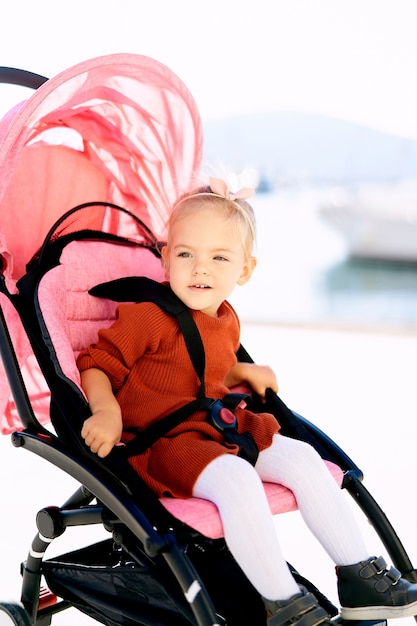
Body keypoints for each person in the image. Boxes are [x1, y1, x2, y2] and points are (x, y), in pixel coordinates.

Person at [77, 177, 417, 626]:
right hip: (168, 443)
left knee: (302, 458)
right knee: (237, 477)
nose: (201, 269)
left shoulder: (224, 316)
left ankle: (358, 576)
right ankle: (285, 605)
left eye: (219, 258)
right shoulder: (147, 315)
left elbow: (202, 371)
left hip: (218, 427)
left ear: (245, 270)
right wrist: (106, 409)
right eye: (186, 255)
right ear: (166, 258)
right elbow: (97, 363)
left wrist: (240, 372)